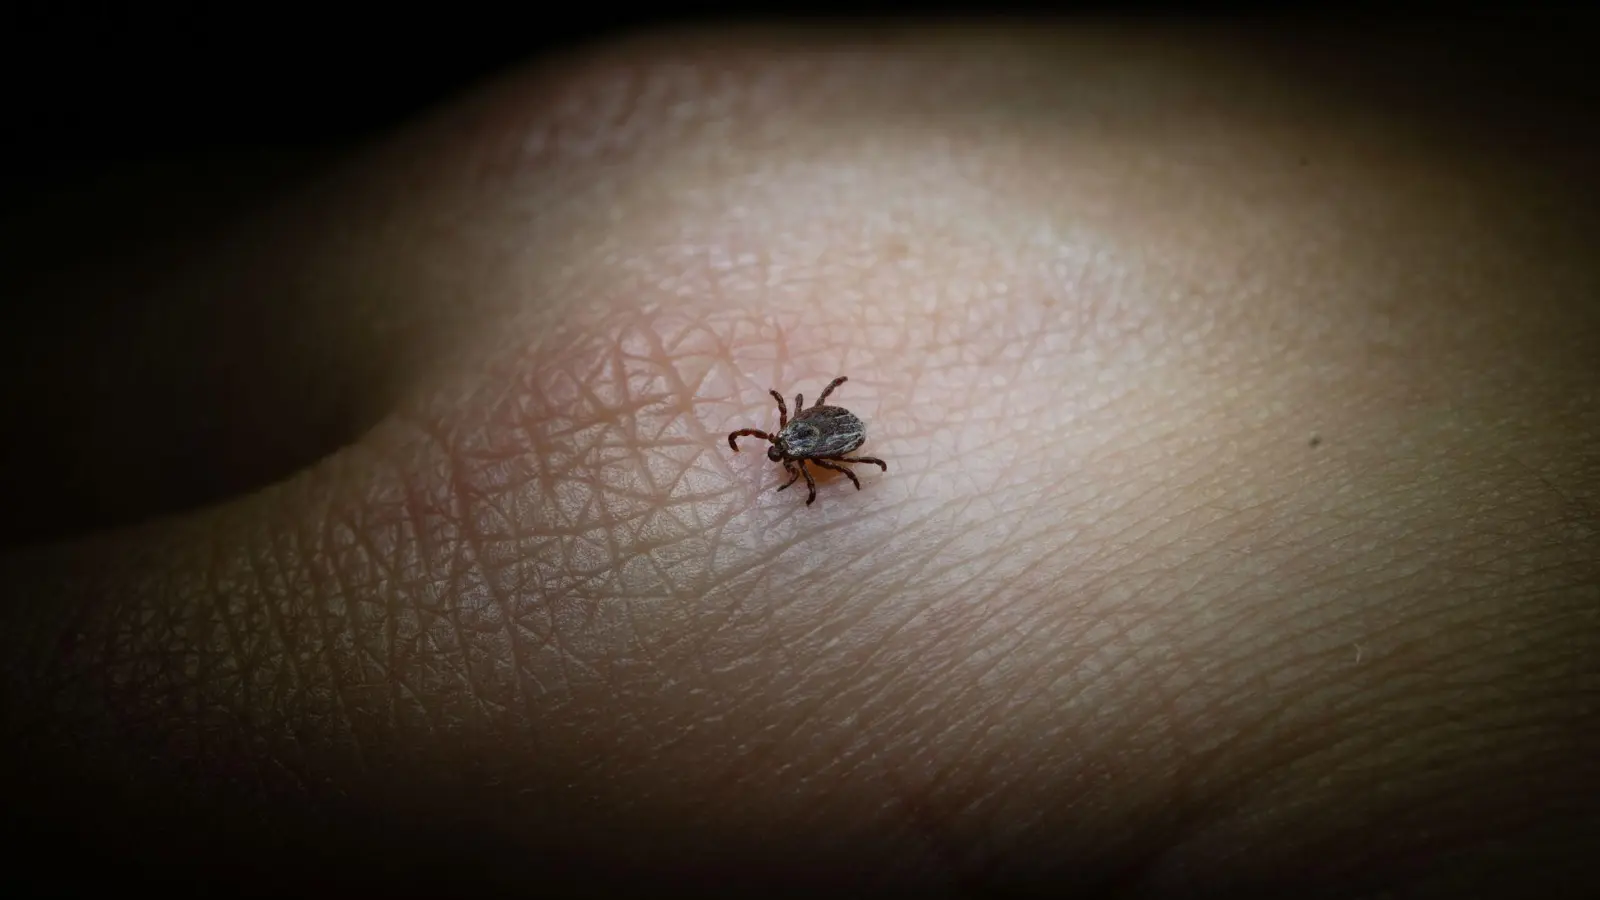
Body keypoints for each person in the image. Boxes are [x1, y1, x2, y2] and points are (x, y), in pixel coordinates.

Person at [2, 23, 1596, 896]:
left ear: (817, 448)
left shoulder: (822, 455)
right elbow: (813, 419)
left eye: (807, 450)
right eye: (798, 448)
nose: (795, 455)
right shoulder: (808, 446)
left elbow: (824, 428)